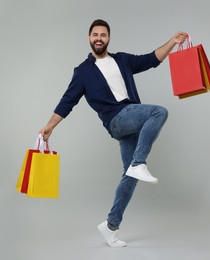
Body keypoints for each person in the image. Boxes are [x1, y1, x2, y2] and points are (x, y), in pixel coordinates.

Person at [39, 19, 187, 247]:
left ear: (109, 38)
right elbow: (67, 101)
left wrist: (172, 41)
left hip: (131, 119)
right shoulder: (83, 72)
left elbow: (151, 59)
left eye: (103, 35)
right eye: (95, 35)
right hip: (116, 119)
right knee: (159, 112)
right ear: (89, 38)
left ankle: (110, 226)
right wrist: (50, 125)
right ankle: (140, 161)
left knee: (130, 177)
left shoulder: (123, 60)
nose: (99, 38)